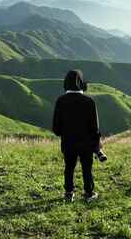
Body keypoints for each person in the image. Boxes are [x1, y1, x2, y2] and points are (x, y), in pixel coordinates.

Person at [52, 70, 101, 202]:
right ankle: (89, 193)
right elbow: (95, 128)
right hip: (86, 143)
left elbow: (56, 128)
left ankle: (69, 193)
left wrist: (65, 132)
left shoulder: (60, 101)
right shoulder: (89, 101)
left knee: (69, 167)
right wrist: (96, 145)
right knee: (87, 168)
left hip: (68, 142)